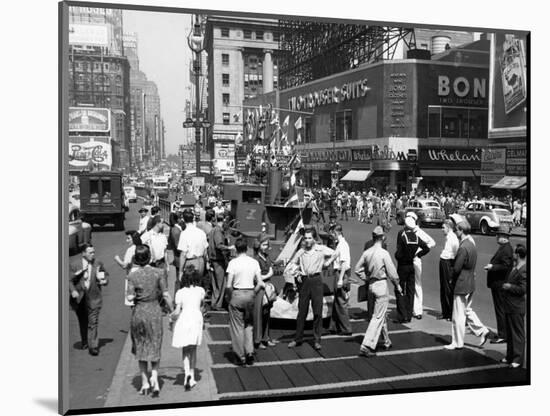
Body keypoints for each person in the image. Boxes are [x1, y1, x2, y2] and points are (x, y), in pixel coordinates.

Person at [126, 245, 173, 396]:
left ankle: (145, 383)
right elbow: (165, 294)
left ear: (136, 259)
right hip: (154, 312)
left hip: (139, 313)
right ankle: (155, 378)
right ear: (149, 257)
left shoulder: (132, 276)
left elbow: (129, 297)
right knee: (155, 344)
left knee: (140, 347)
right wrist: (172, 311)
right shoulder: (159, 273)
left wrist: (135, 296)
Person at [355, 227, 402, 357]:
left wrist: (366, 278)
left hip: (371, 285)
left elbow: (357, 269)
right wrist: (397, 285)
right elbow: (392, 273)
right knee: (378, 316)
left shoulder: (367, 252)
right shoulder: (383, 253)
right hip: (381, 284)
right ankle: (366, 345)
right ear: (382, 238)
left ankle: (386, 340)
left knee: (379, 314)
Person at [445, 221, 490, 350]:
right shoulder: (471, 245)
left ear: (461, 231)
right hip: (470, 282)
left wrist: (450, 278)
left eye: (457, 231)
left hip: (461, 283)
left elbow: (457, 268)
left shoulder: (463, 247)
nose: (455, 233)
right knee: (466, 310)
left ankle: (457, 342)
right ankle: (481, 330)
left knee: (458, 314)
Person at [288, 227, 335, 351]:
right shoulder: (301, 252)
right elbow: (292, 264)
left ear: (314, 239)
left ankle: (317, 340)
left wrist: (327, 263)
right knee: (302, 311)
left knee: (317, 311)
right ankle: (298, 338)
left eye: (310, 238)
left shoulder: (321, 250)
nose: (307, 240)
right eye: (306, 238)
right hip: (304, 281)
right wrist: (297, 273)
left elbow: (336, 253)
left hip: (316, 281)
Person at [225, 238, 264, 365]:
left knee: (237, 327)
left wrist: (230, 296)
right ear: (247, 249)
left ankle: (240, 355)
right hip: (250, 294)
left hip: (237, 293)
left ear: (236, 249)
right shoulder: (254, 262)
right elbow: (260, 282)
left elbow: (228, 285)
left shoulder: (233, 263)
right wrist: (254, 292)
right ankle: (250, 352)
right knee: (249, 325)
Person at [69, 244, 109, 356]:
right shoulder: (74, 264)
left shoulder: (98, 263)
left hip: (93, 296)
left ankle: (93, 346)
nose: (93, 254)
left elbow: (105, 274)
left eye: (93, 252)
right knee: (83, 320)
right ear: (83, 253)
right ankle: (84, 341)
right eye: (90, 252)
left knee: (93, 322)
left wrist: (104, 280)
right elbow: (68, 280)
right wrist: (73, 291)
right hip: (80, 297)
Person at [170, 265, 205, 389]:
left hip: (184, 319)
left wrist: (171, 318)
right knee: (193, 349)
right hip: (196, 319)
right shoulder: (200, 291)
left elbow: (177, 311)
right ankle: (192, 374)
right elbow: (201, 306)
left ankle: (186, 375)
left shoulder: (180, 293)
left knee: (185, 349)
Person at [394, 217, 430, 323]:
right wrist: (418, 254)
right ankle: (409, 314)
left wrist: (398, 256)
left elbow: (399, 252)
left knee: (400, 289)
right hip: (411, 265)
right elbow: (426, 248)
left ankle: (402, 315)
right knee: (410, 290)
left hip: (402, 265)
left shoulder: (402, 235)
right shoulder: (416, 237)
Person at [484, 225, 514, 344]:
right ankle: (504, 333)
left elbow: (505, 266)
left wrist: (492, 267)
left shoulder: (506, 249)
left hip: (500, 284)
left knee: (500, 309)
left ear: (504, 237)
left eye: (498, 235)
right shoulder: (504, 247)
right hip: (499, 283)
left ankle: (503, 334)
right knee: (501, 309)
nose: (496, 237)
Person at [406, 212, 436, 320]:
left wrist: (419, 252)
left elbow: (432, 242)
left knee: (417, 284)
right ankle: (410, 307)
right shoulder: (406, 232)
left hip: (415, 260)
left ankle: (418, 310)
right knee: (409, 284)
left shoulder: (419, 232)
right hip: (407, 260)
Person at [501, 244, 527, 368]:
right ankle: (510, 355)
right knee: (510, 333)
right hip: (509, 305)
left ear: (518, 254)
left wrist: (510, 286)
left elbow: (523, 289)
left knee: (517, 334)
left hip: (517, 306)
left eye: (514, 253)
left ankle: (518, 358)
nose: (512, 255)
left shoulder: (524, 269)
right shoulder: (516, 267)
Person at [325, 224, 353, 336]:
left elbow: (344, 263)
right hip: (339, 272)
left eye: (332, 234)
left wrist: (341, 279)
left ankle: (346, 328)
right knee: (337, 299)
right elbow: (335, 254)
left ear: (336, 233)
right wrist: (327, 262)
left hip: (342, 273)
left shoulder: (343, 245)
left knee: (341, 301)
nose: (332, 237)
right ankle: (333, 326)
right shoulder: (340, 244)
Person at [253, 236, 277, 349]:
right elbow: (256, 277)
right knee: (259, 314)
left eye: (267, 245)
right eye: (264, 245)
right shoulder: (256, 259)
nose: (266, 247)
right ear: (258, 245)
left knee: (267, 313)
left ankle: (265, 338)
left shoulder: (267, 256)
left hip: (268, 287)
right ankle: (257, 340)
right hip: (260, 287)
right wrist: (268, 275)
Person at [209, 214, 234, 310]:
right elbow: (219, 245)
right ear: (223, 221)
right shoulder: (218, 231)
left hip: (214, 260)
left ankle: (214, 303)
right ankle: (217, 305)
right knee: (221, 283)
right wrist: (229, 248)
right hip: (218, 260)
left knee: (216, 283)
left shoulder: (213, 230)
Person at [178, 209, 209, 285]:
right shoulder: (201, 232)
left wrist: (180, 271)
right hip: (201, 261)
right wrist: (207, 262)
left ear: (184, 220)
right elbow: (205, 250)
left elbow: (183, 254)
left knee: (189, 285)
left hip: (190, 262)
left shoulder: (184, 234)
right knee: (199, 284)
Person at [438, 220, 459, 321]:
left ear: (449, 227)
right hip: (443, 261)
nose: (442, 230)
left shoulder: (453, 238)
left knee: (448, 288)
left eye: (443, 227)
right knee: (443, 287)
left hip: (448, 262)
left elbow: (456, 252)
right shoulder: (448, 237)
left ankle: (450, 313)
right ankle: (445, 312)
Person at [168, 212, 183, 295]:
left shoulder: (175, 228)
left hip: (177, 256)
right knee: (179, 279)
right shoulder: (176, 230)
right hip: (179, 257)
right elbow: (178, 246)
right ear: (177, 219)